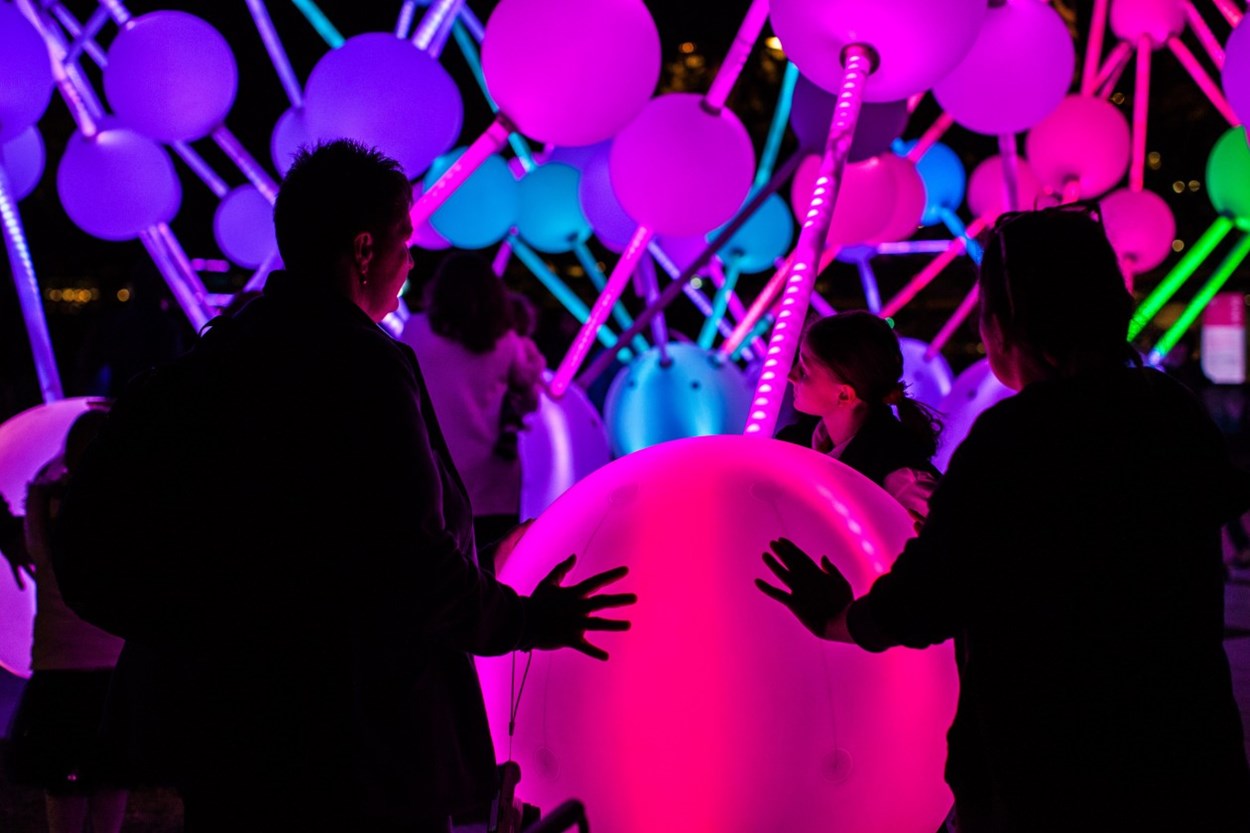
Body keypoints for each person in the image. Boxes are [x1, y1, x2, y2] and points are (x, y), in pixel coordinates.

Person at [53, 140, 634, 831]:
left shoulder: (220, 357)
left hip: (230, 731)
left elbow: (98, 531)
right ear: (364, 250)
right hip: (358, 739)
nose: (411, 261)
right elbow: (410, 560)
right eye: (403, 240)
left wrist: (190, 629)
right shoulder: (363, 368)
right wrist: (527, 619)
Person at [756, 204, 1250, 833]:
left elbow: (929, 594)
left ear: (1006, 325)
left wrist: (837, 617)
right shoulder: (1171, 412)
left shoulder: (1015, 441)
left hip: (1048, 775)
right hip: (1189, 758)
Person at [6, 405, 128, 833]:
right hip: (113, 668)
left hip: (58, 666)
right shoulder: (124, 514)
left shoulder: (42, 508)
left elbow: (36, 493)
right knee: (112, 776)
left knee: (63, 781)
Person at [400, 254, 545, 569]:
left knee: (438, 573)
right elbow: (530, 399)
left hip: (432, 471)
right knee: (495, 568)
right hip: (494, 479)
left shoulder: (416, 331)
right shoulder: (506, 342)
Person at [782, 311, 941, 527]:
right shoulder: (792, 445)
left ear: (844, 394)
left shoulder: (902, 481)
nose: (791, 375)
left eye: (805, 370)